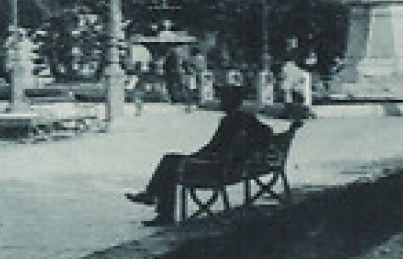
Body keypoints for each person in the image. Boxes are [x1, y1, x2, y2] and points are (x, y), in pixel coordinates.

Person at [125, 83, 301, 226]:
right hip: (237, 167)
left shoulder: (230, 121)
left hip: (218, 169)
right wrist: (251, 149)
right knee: (173, 160)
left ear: (227, 102)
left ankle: (161, 208)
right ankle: (153, 198)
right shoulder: (246, 119)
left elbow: (212, 147)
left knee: (171, 161)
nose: (221, 102)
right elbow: (267, 132)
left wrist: (192, 157)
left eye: (223, 99)